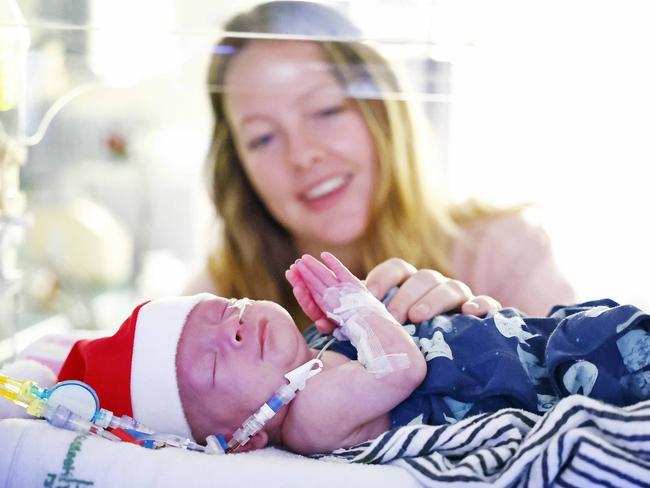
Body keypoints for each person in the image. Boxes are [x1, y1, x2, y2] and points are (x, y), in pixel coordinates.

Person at [3, 253, 648, 457]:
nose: (233, 328)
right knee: (606, 346)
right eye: (213, 360)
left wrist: (342, 326)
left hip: (529, 345)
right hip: (540, 382)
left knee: (590, 326)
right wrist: (354, 305)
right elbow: (402, 370)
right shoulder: (308, 417)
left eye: (223, 310)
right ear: (236, 438)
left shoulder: (307, 367)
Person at [184, 1, 575, 330]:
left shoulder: (504, 252)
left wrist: (492, 342)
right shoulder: (214, 304)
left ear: (384, 113)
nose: (302, 155)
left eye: (326, 110)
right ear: (238, 168)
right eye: (263, 138)